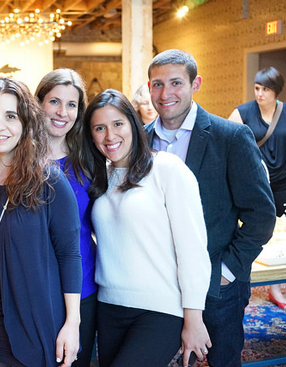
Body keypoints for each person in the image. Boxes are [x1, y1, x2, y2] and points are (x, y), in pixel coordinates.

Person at [145, 49, 276, 367]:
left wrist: (228, 270)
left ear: (195, 83)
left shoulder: (230, 137)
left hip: (218, 284)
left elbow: (261, 213)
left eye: (176, 82)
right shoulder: (140, 140)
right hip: (157, 282)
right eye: (157, 84)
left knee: (222, 360)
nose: (166, 94)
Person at [0, 77, 82, 367]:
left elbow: (69, 255)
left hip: (35, 328)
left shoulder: (50, 182)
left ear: (26, 124)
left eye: (10, 116)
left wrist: (73, 323)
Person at [82, 89, 211, 367]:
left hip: (159, 308)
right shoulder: (99, 177)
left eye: (118, 124)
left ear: (133, 123)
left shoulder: (167, 168)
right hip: (109, 306)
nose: (110, 135)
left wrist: (194, 317)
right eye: (99, 128)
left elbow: (192, 248)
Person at [35, 68, 96, 367]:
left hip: (83, 285)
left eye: (71, 105)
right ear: (39, 104)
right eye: (54, 102)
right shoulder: (18, 157)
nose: (62, 112)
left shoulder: (90, 158)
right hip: (34, 288)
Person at [228, 67, 286, 309]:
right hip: (253, 181)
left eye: (266, 89)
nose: (260, 94)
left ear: (276, 91)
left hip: (282, 180)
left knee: (280, 236)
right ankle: (245, 279)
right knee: (253, 231)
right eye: (257, 88)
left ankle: (275, 287)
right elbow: (228, 145)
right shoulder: (242, 112)